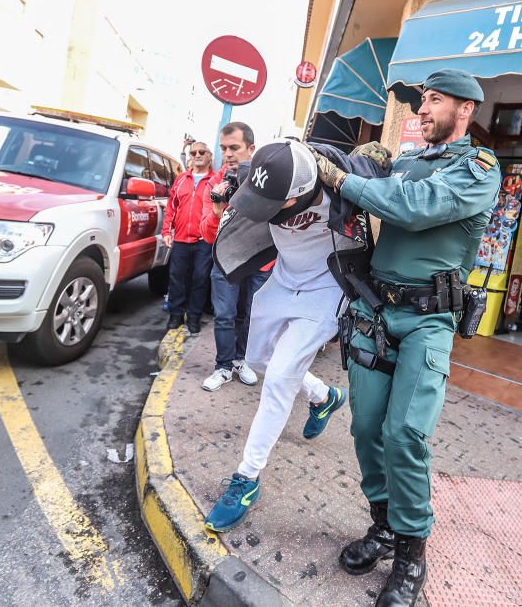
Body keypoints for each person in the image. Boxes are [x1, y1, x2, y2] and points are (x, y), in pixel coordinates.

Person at [315, 69, 500, 606]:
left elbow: (414, 208)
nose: (422, 108)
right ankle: (384, 526)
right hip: (376, 311)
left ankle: (412, 554)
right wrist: (362, 164)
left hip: (428, 321)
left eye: (434, 100)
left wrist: (344, 178)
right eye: (421, 100)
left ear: (464, 110)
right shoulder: (408, 161)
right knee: (366, 426)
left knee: (405, 435)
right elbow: (385, 187)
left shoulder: (479, 169)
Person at [202, 139, 390, 532]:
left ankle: (246, 478)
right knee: (256, 361)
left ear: (302, 193)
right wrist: (225, 199)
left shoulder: (341, 183)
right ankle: (323, 396)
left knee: (278, 380)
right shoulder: (264, 174)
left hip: (326, 290)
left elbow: (382, 180)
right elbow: (239, 185)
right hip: (283, 280)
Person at [198, 122, 268, 391]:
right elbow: (206, 234)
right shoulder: (215, 184)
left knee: (250, 315)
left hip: (260, 260)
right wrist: (217, 211)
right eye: (224, 148)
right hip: (226, 260)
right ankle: (223, 366)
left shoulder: (266, 184)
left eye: (234, 147)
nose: (228, 154)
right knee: (224, 315)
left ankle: (242, 360)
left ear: (251, 148)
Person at [161, 139, 215, 333]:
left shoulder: (216, 181)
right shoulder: (182, 179)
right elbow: (171, 207)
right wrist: (166, 231)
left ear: (210, 156)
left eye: (202, 151)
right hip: (181, 238)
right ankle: (175, 315)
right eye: (193, 153)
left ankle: (194, 317)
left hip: (204, 241)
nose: (198, 155)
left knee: (200, 279)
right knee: (177, 278)